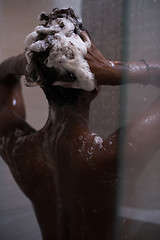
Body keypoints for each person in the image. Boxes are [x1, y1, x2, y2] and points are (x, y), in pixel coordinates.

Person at [1, 8, 160, 240]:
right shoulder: (111, 157)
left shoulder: (20, 151)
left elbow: (2, 80)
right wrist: (115, 70)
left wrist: (27, 62)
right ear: (96, 85)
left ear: (40, 82)